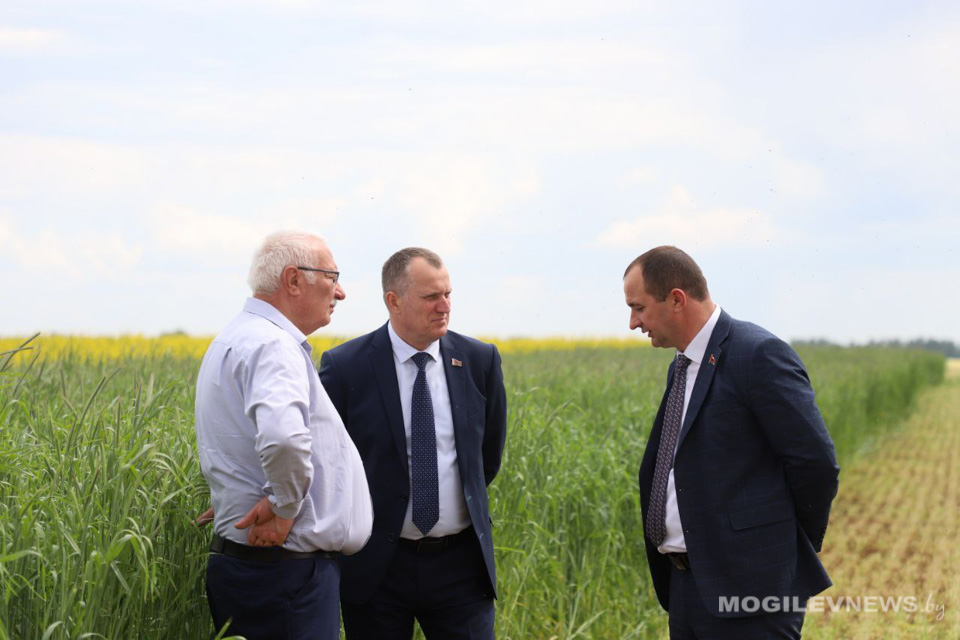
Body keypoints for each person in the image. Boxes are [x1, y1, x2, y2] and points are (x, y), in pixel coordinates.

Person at [623, 246, 840, 638]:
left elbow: (816, 463)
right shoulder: (681, 366)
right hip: (687, 587)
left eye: (638, 308)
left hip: (753, 590)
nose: (633, 323)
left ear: (676, 299)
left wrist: (781, 550)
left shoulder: (757, 354)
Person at [319, 247, 507, 640]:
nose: (445, 306)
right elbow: (325, 458)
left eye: (448, 294)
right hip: (377, 568)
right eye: (431, 297)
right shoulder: (346, 366)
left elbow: (486, 458)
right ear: (394, 301)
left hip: (461, 567)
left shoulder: (480, 360)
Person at [194, 230, 373, 640]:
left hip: (257, 568)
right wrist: (285, 507)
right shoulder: (273, 345)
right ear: (293, 280)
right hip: (285, 573)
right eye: (332, 277)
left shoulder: (236, 337)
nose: (340, 292)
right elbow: (285, 439)